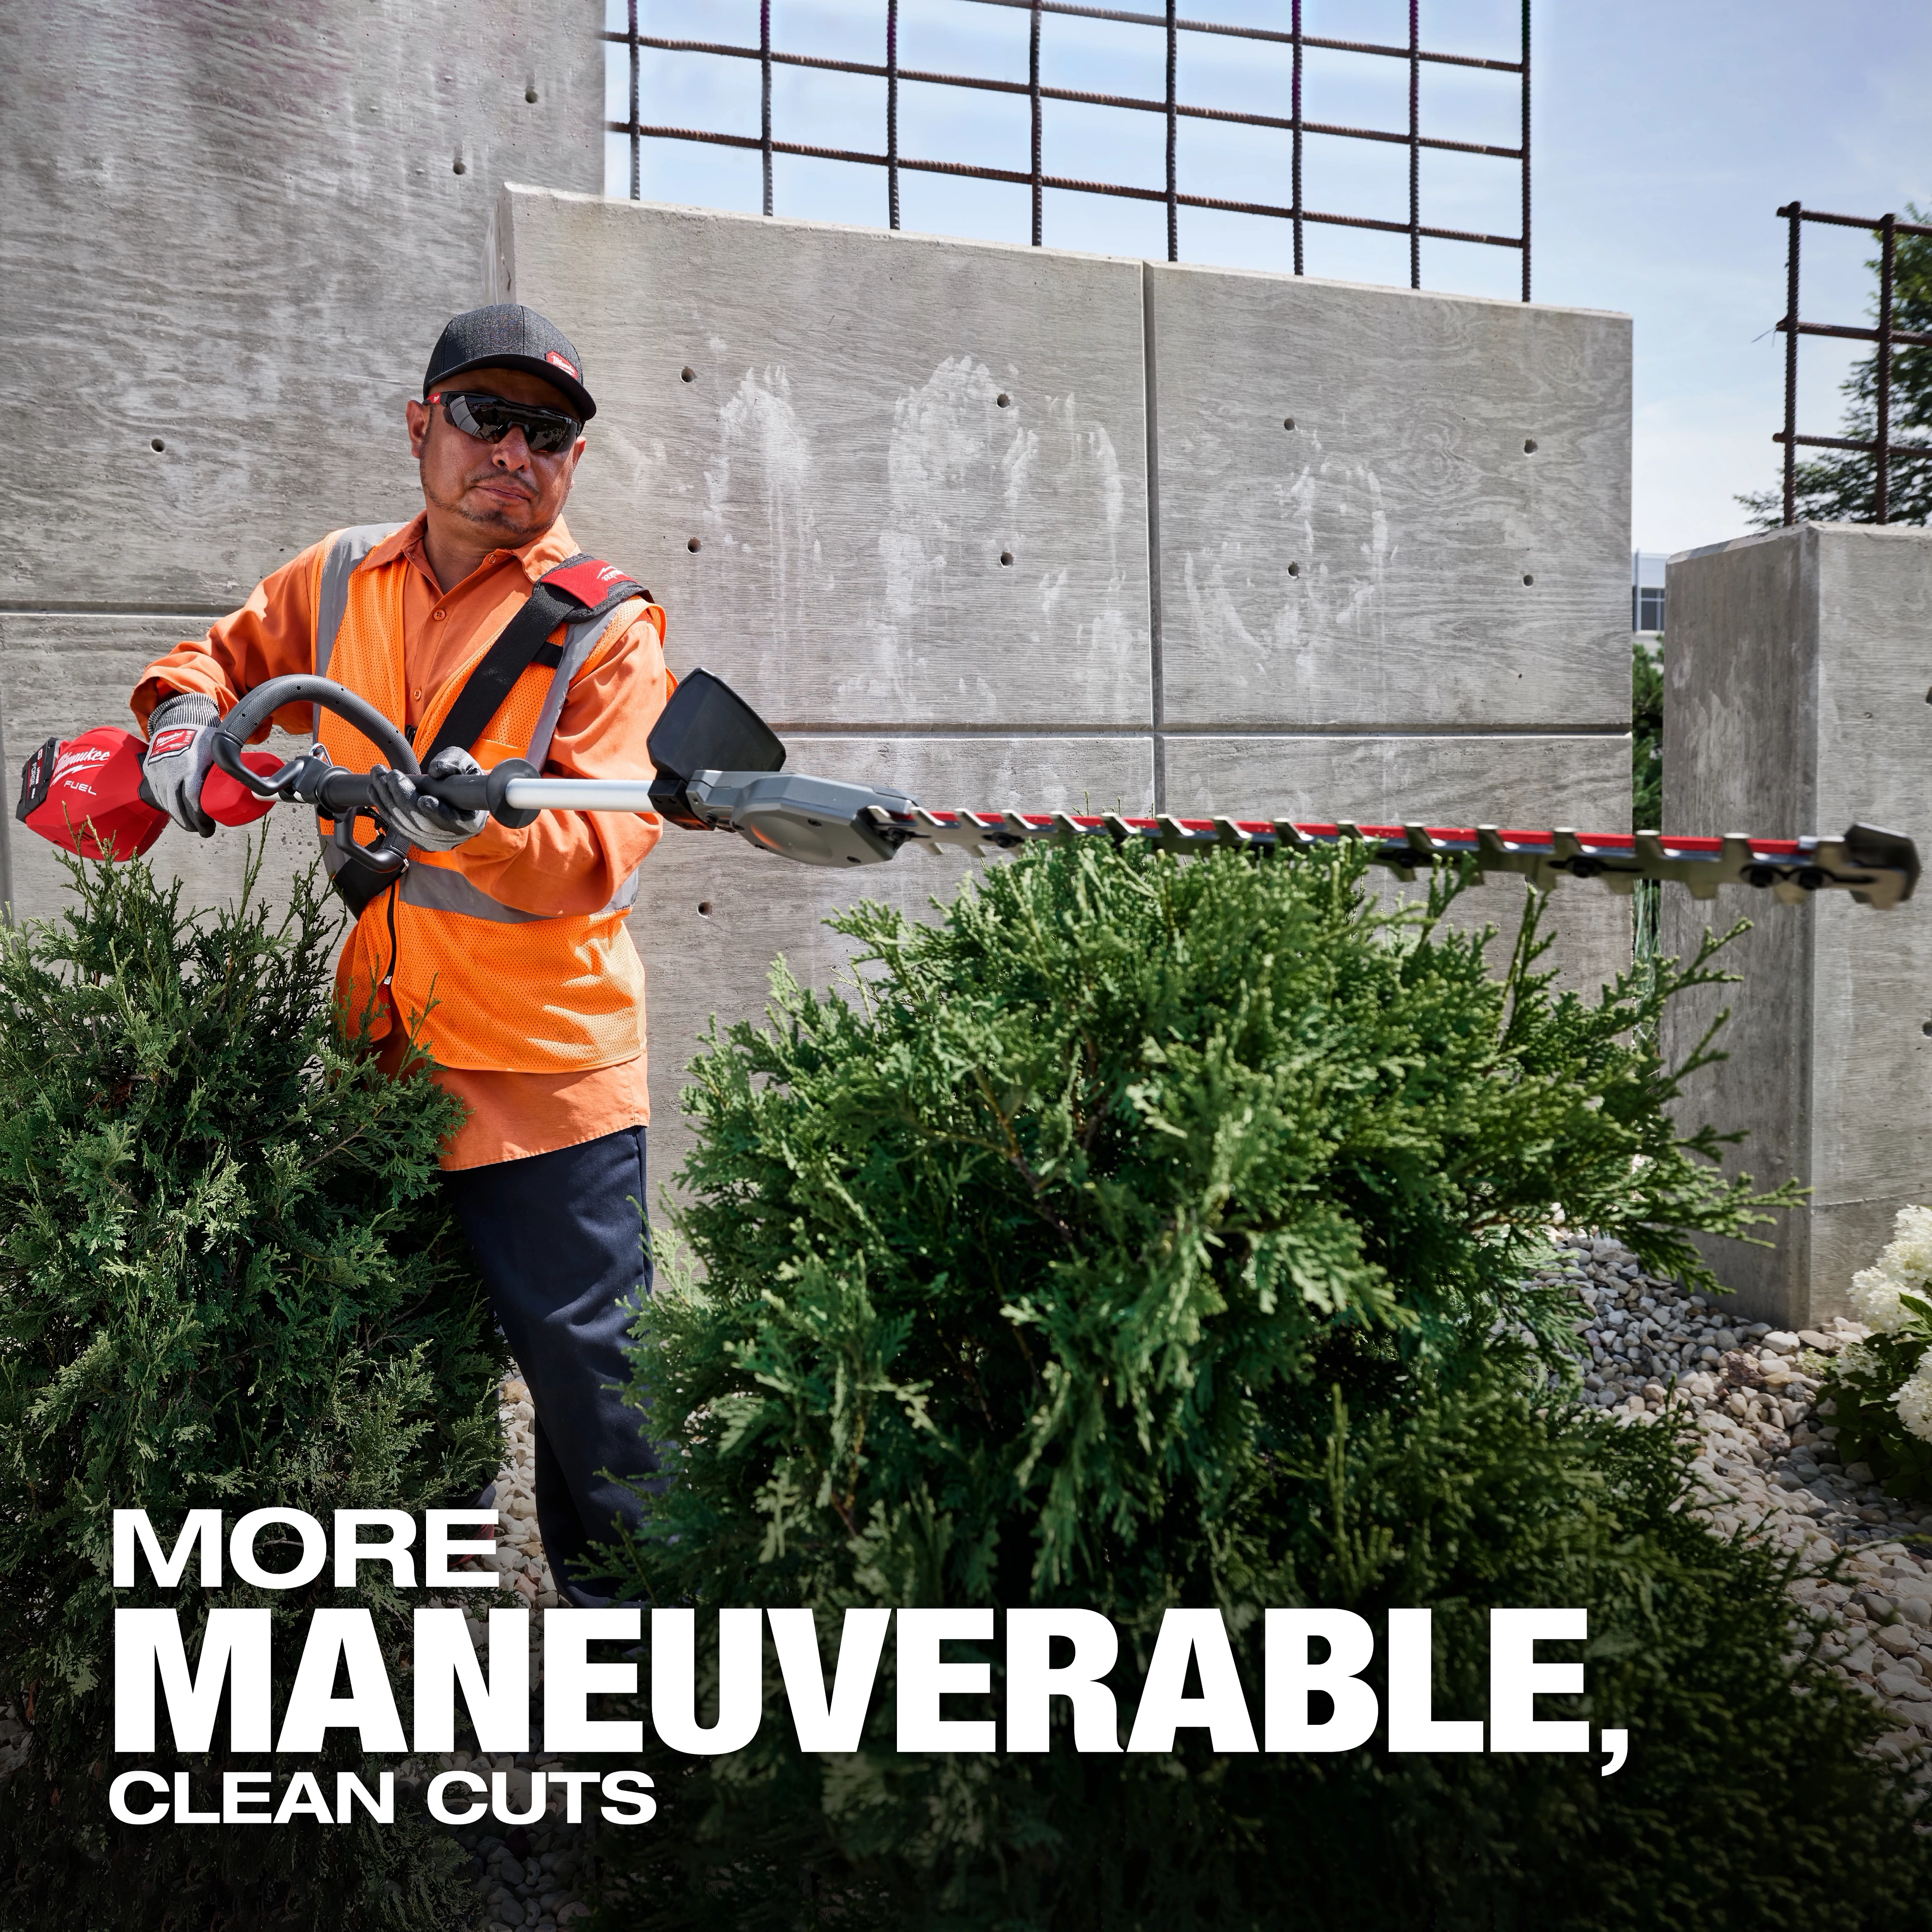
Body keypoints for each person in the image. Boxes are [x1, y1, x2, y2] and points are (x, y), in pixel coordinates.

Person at [131, 304, 668, 1607]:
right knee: (403, 1405)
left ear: (573, 464)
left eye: (549, 433)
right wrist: (181, 730)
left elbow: (604, 844)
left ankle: (643, 1741)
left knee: (601, 1434)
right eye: (487, 416)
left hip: (548, 1093)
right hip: (384, 1065)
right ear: (423, 425)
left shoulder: (605, 626)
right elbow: (215, 659)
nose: (516, 452)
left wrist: (475, 829)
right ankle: (425, 1701)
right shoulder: (336, 579)